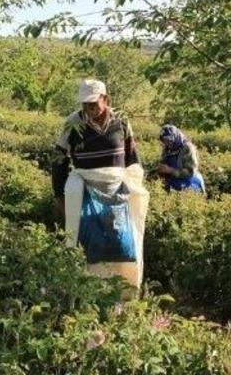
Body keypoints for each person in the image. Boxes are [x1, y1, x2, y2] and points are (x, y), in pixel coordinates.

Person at [51, 80, 148, 292]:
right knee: (87, 241)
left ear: (106, 99)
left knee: (121, 242)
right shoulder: (73, 123)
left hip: (117, 193)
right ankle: (87, 289)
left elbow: (132, 156)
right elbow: (59, 159)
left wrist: (136, 184)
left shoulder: (120, 120)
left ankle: (122, 288)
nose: (89, 109)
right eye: (85, 104)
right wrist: (59, 196)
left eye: (93, 104)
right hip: (87, 192)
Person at [157, 124, 206, 194]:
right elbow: (163, 161)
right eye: (164, 140)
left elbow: (190, 172)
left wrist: (170, 170)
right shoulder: (167, 148)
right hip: (173, 180)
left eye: (168, 140)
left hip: (189, 181)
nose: (167, 143)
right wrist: (161, 168)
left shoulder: (187, 148)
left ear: (175, 137)